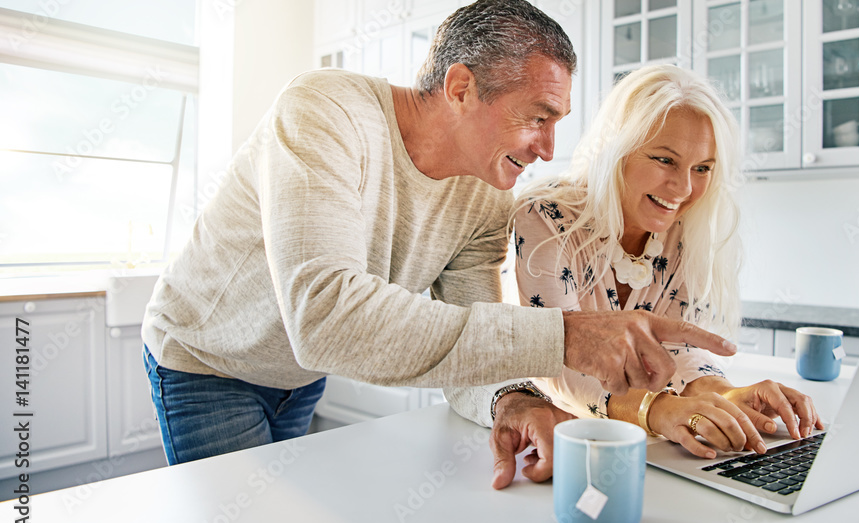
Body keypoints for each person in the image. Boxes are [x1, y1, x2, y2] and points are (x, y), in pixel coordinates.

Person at [141, 1, 737, 465]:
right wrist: (564, 336)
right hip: (207, 361)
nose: (550, 148)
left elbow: (470, 353)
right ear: (460, 88)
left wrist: (514, 401)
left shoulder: (487, 195)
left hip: (297, 378)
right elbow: (323, 318)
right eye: (537, 117)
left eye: (558, 124)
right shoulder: (325, 111)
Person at [445, 64, 822, 490]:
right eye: (665, 159)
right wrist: (659, 410)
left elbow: (677, 346)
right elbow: (555, 360)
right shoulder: (546, 217)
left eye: (703, 168)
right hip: (554, 446)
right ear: (617, 150)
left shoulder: (682, 230)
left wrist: (720, 393)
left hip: (640, 458)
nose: (682, 187)